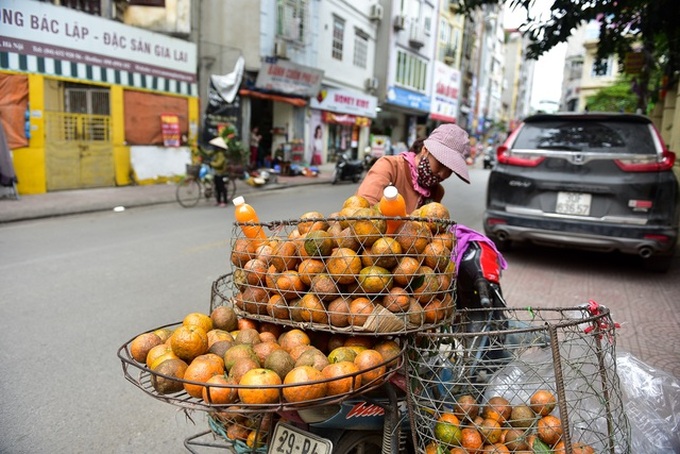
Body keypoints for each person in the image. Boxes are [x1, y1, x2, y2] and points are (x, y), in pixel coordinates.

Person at [356, 123, 471, 213]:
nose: (443, 174)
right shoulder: (389, 166)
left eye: (451, 170)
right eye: (441, 164)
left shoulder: (437, 192)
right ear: (425, 150)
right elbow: (363, 208)